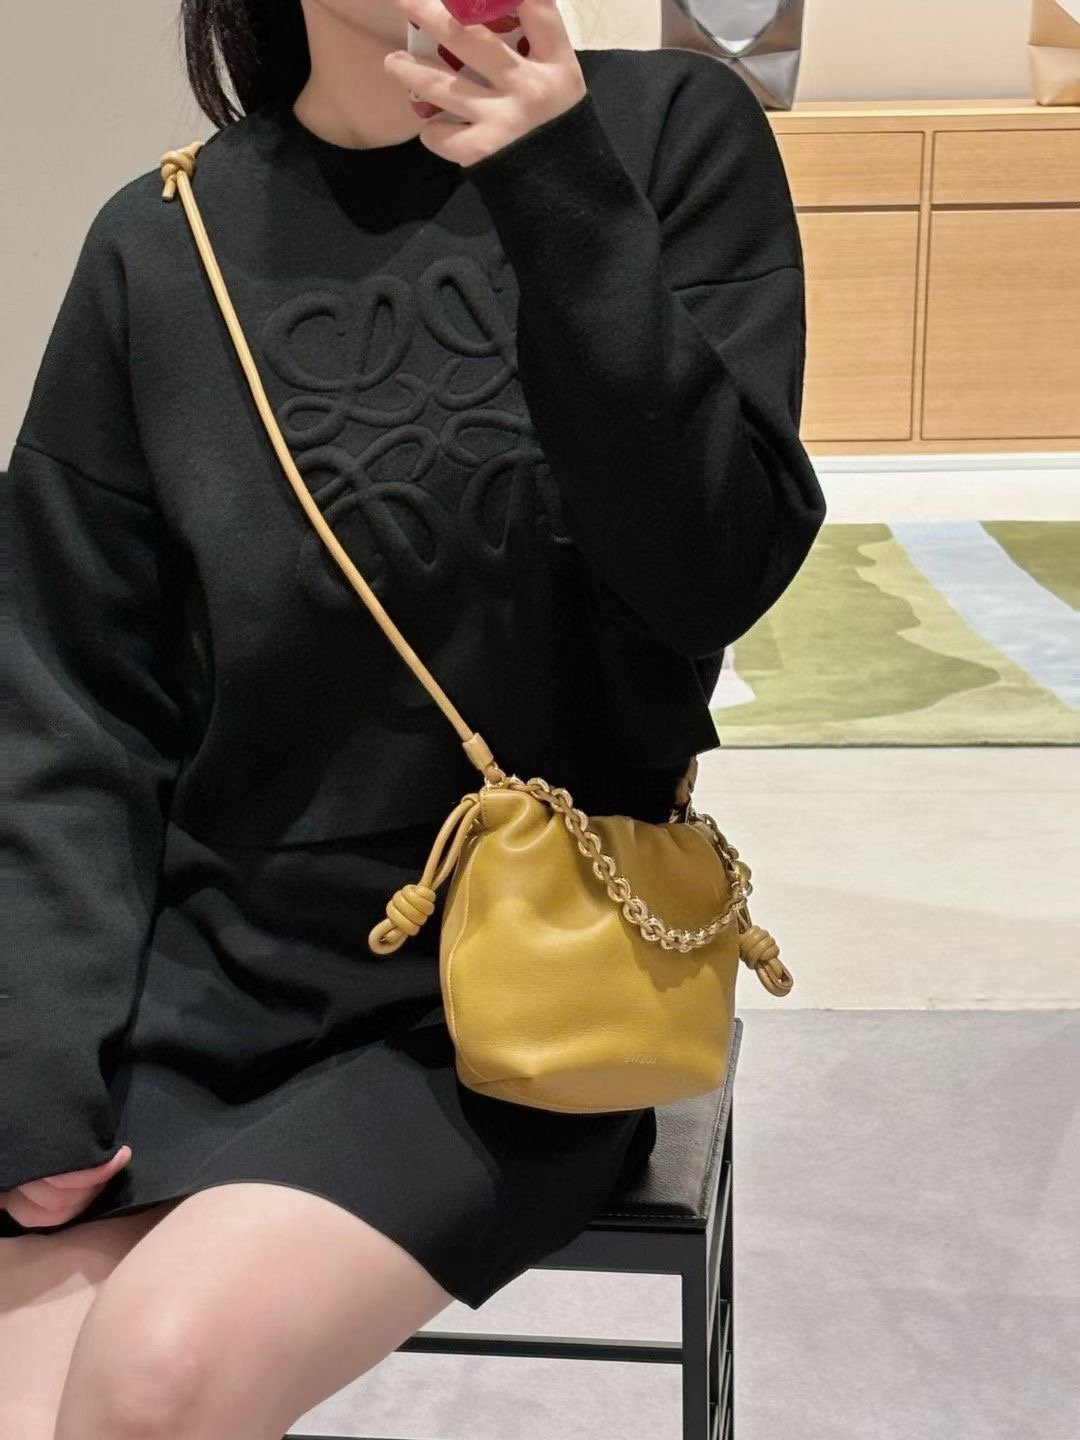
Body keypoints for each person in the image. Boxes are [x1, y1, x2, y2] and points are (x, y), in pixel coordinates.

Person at [0, 0, 826, 1434]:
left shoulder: (661, 138)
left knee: (156, 1372)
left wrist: (556, 185)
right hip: (200, 972)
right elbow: (69, 695)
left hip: (508, 996)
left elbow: (709, 576)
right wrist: (36, 1061)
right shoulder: (162, 241)